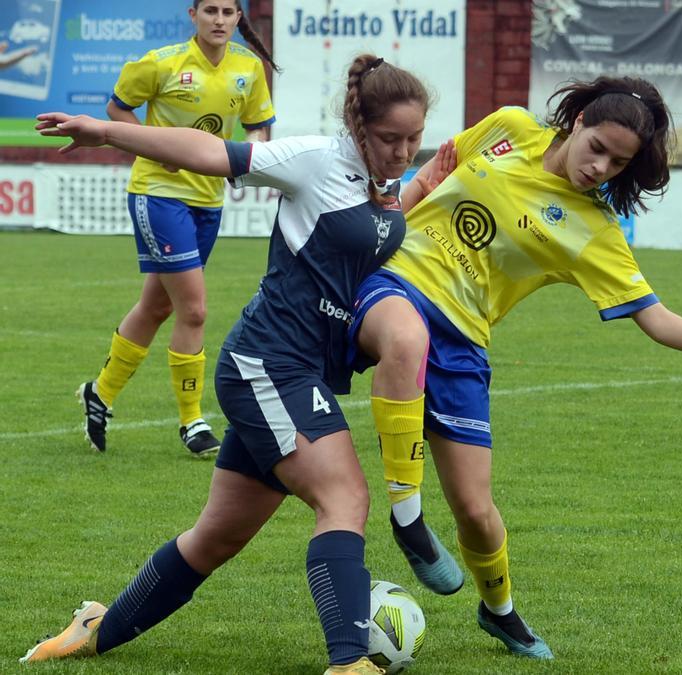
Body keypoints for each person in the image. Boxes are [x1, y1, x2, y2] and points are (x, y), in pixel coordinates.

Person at [24, 54, 450, 675]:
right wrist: (107, 130)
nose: (402, 151)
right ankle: (349, 663)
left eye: (414, 139)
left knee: (216, 538)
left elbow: (369, 231)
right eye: (390, 139)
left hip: (298, 370)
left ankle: (96, 629)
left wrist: (421, 184)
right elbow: (208, 152)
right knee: (345, 498)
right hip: (269, 364)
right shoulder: (316, 160)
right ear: (360, 128)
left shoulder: (381, 184)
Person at [348, 76, 682, 660]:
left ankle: (499, 611)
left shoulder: (592, 229)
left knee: (477, 512)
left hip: (465, 339)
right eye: (597, 146)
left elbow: (655, 318)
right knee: (405, 340)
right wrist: (387, 216)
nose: (601, 166)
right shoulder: (508, 127)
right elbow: (433, 177)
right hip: (394, 281)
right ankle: (407, 517)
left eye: (618, 162)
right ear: (576, 123)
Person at [78, 0, 280, 457]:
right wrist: (156, 152)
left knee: (156, 307)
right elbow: (117, 109)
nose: (220, 20)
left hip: (209, 199)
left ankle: (100, 394)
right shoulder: (161, 63)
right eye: (210, 10)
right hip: (159, 193)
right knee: (194, 310)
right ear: (193, 15)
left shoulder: (248, 68)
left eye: (229, 12)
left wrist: (246, 158)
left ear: (237, 18)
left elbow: (259, 128)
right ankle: (192, 422)